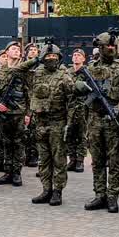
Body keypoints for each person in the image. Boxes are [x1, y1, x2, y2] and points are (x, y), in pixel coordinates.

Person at [77, 32, 119, 213]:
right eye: (107, 47)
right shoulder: (91, 68)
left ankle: (112, 197)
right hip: (95, 120)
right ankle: (99, 194)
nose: (110, 49)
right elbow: (79, 88)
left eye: (112, 46)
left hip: (113, 120)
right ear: (100, 48)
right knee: (97, 161)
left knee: (115, 161)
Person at [18, 43, 74, 206]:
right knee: (44, 159)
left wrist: (69, 124)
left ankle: (57, 191)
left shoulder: (64, 76)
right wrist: (34, 59)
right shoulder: (36, 74)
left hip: (58, 122)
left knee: (58, 159)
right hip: (40, 123)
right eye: (48, 57)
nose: (51, 59)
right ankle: (46, 189)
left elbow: (72, 103)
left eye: (54, 57)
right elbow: (16, 70)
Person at [0, 42, 30, 188]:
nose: (16, 51)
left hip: (19, 112)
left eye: (18, 49)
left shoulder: (24, 70)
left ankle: (16, 173)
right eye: (13, 49)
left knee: (19, 143)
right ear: (6, 52)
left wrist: (28, 113)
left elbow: (29, 93)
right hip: (3, 113)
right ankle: (7, 171)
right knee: (6, 142)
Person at [65, 48, 88, 172]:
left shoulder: (87, 73)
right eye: (74, 55)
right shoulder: (67, 72)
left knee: (81, 135)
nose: (76, 57)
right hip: (69, 108)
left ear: (84, 58)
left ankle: (80, 161)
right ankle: (72, 159)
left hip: (83, 108)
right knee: (69, 135)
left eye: (79, 55)